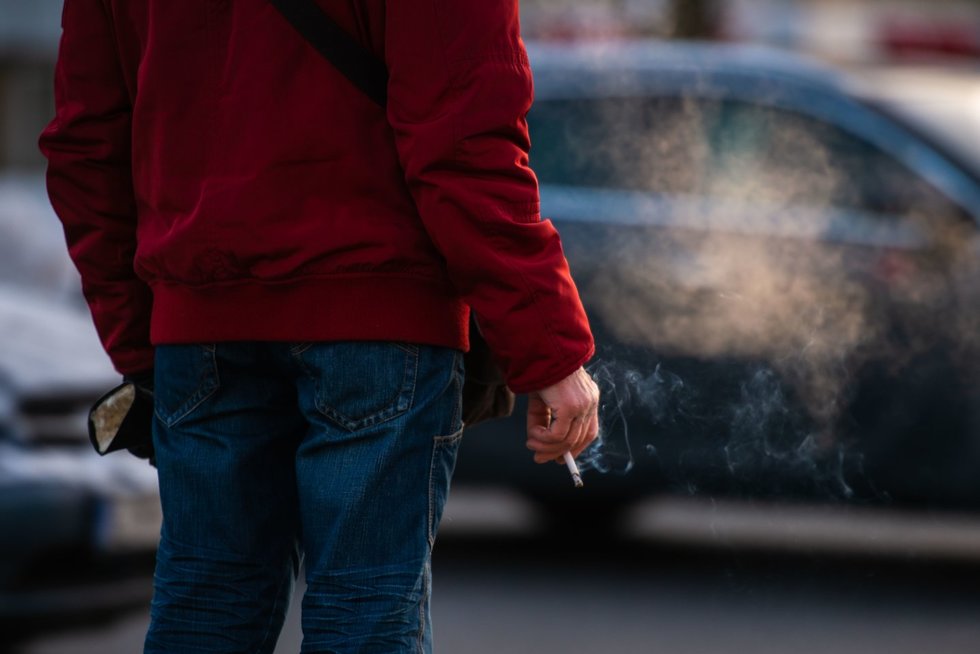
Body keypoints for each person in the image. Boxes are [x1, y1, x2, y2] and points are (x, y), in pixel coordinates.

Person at [39, 0, 599, 652]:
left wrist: (143, 342)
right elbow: (465, 142)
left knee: (207, 603)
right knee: (365, 612)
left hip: (201, 322)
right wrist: (550, 351)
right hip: (378, 317)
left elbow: (86, 144)